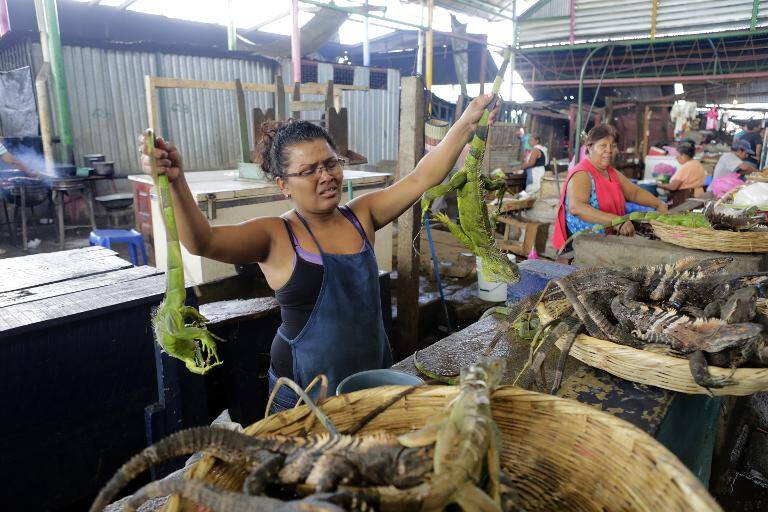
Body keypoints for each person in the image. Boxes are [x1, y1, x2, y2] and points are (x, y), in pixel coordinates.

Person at [140, 94, 500, 413]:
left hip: (371, 376)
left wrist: (467, 121)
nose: (325, 176)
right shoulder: (277, 235)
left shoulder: (362, 214)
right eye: (308, 171)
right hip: (304, 394)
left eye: (330, 164)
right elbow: (202, 242)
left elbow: (423, 177)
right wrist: (175, 182)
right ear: (283, 185)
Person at [552, 124, 667, 253]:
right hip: (580, 246)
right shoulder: (581, 173)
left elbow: (634, 193)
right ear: (589, 147)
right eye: (603, 145)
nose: (609, 150)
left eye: (613, 145)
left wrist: (658, 203)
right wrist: (617, 221)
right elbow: (576, 208)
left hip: (606, 242)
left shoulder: (610, 172)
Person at [657, 140, 706, 207]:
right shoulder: (697, 163)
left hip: (687, 199)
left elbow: (673, 187)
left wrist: (658, 185)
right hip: (698, 196)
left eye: (677, 154)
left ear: (683, 155)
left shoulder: (686, 166)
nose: (676, 157)